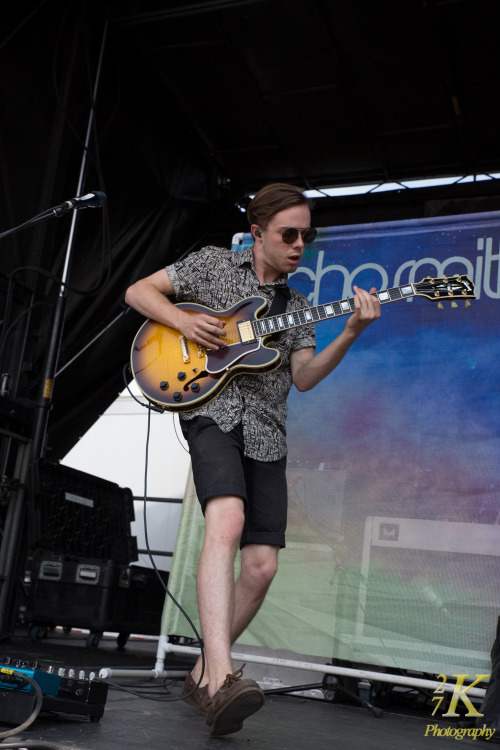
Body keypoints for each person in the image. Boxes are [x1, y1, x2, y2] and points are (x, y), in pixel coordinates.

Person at [125, 183, 381, 737]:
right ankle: (221, 677)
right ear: (259, 230)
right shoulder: (214, 265)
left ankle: (199, 674)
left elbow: (305, 378)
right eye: (288, 234)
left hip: (268, 431)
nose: (298, 245)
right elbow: (137, 292)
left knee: (262, 565)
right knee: (228, 520)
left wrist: (353, 332)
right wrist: (183, 321)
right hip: (212, 409)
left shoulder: (301, 307)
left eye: (306, 237)